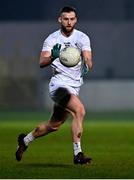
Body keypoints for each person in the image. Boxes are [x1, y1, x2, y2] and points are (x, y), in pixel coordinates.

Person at [15, 6, 93, 165]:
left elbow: (88, 59)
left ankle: (25, 140)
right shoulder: (51, 39)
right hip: (58, 86)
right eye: (66, 19)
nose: (69, 22)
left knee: (54, 125)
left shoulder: (82, 37)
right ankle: (78, 153)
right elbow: (41, 62)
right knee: (79, 110)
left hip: (73, 87)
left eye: (72, 19)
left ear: (76, 20)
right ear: (60, 20)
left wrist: (87, 64)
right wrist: (52, 57)